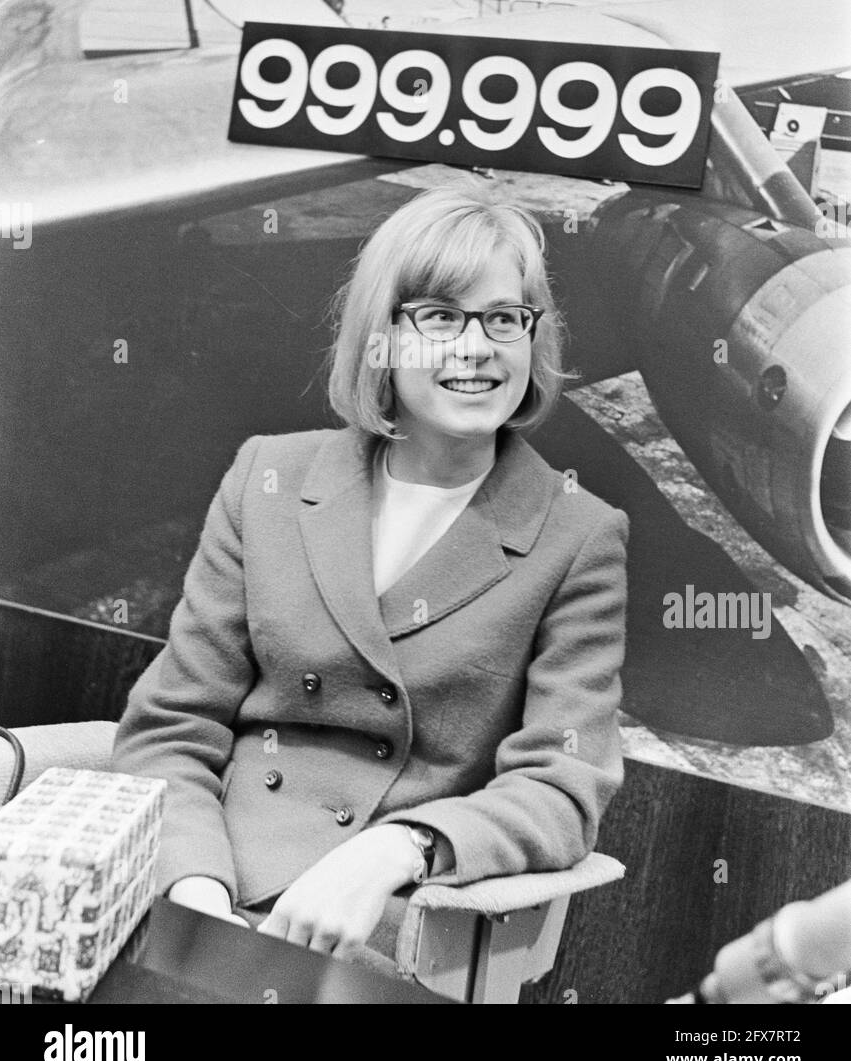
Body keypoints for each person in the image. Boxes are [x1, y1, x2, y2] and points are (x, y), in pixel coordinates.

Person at [112, 185, 629, 979]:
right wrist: (193, 885)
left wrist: (399, 850)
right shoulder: (269, 476)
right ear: (380, 338)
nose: (477, 347)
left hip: (389, 919)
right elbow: (173, 726)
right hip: (208, 881)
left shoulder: (578, 534)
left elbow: (561, 785)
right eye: (439, 317)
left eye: (503, 318)